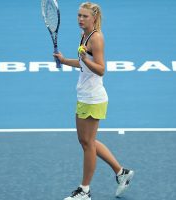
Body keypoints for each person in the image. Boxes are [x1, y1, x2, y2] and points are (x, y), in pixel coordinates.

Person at [53, 2, 134, 200]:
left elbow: (100, 68)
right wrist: (65, 61)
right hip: (84, 95)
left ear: (94, 18)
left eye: (85, 16)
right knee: (86, 141)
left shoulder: (96, 38)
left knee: (88, 144)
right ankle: (121, 172)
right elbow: (83, 64)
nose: (80, 19)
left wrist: (85, 59)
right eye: (79, 15)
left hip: (93, 98)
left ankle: (84, 191)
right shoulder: (84, 35)